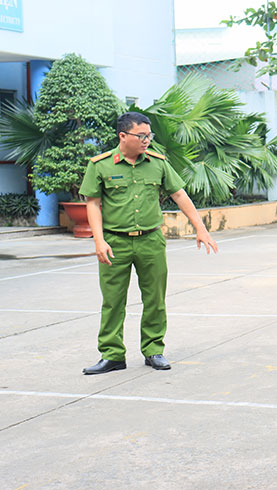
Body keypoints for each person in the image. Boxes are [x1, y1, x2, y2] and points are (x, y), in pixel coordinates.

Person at [79, 112, 218, 375]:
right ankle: (112, 355)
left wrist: (200, 228)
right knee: (112, 301)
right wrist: (99, 241)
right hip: (115, 242)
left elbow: (179, 194)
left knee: (154, 298)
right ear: (123, 136)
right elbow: (93, 204)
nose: (147, 140)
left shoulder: (158, 163)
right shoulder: (100, 165)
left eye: (148, 135)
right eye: (141, 136)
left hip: (150, 241)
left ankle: (154, 350)